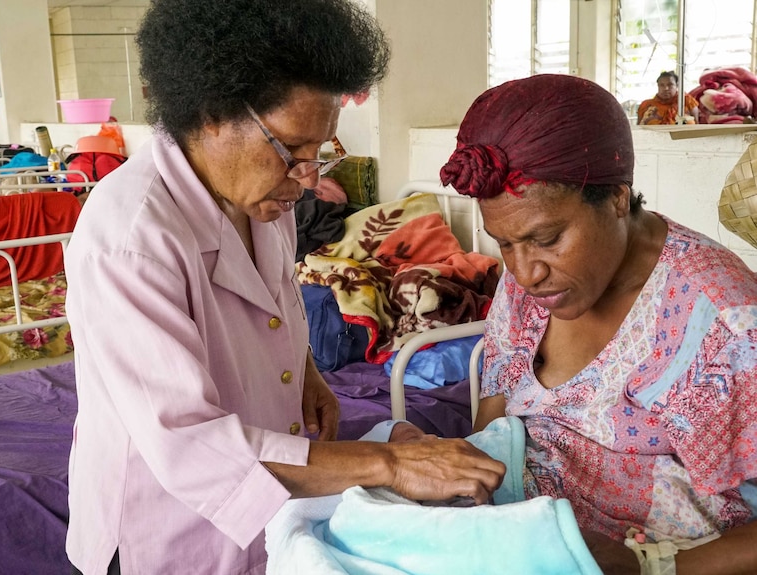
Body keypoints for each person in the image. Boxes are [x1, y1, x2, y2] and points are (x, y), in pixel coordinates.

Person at [63, 1, 506, 573]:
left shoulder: (266, 200)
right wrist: (388, 463)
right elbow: (190, 446)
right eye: (292, 151)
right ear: (211, 114)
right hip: (167, 532)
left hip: (268, 513)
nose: (309, 177)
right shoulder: (130, 237)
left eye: (319, 152)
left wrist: (305, 370)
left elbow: (276, 301)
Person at [384, 74, 757, 574]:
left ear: (618, 198)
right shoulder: (533, 281)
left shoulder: (721, 324)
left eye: (547, 238)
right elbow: (494, 424)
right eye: (504, 243)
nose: (523, 272)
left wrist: (652, 567)